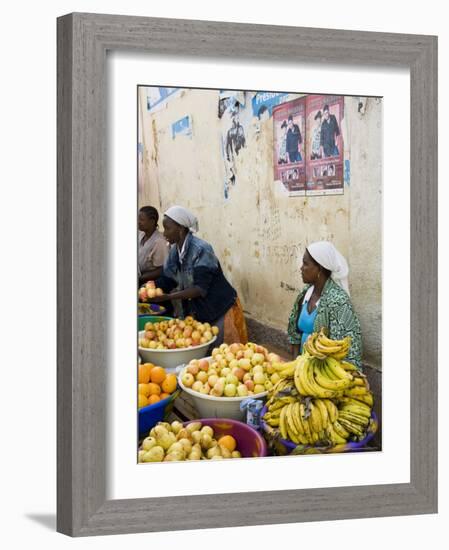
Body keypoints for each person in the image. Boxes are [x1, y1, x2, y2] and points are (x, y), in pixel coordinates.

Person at [151, 205, 248, 346]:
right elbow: (168, 279)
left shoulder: (201, 249)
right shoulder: (175, 251)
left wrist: (168, 297)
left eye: (168, 228)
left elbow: (200, 289)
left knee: (223, 351)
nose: (164, 233)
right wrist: (149, 289)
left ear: (181, 229)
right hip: (199, 311)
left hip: (219, 309)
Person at [287, 241, 362, 369]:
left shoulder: (339, 302)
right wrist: (296, 365)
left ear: (319, 269)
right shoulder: (305, 294)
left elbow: (342, 352)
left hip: (327, 373)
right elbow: (295, 334)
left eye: (305, 263)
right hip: (302, 370)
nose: (301, 268)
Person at [138, 206, 169, 285]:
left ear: (152, 221)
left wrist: (140, 278)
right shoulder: (140, 235)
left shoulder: (160, 241)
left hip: (149, 283)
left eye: (141, 220)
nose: (138, 222)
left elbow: (162, 270)